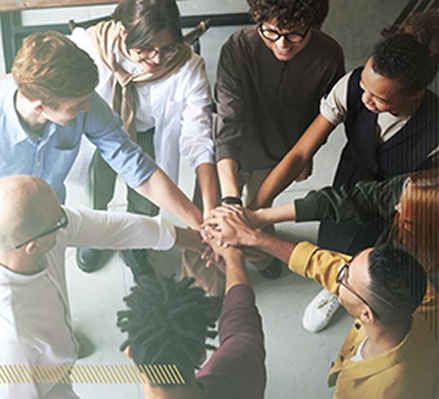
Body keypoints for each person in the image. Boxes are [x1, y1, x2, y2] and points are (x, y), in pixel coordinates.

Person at [247, 11, 439, 330]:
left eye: (379, 98)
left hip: (397, 207)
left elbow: (422, 201)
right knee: (333, 237)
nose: (365, 98)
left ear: (415, 94)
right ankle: (335, 285)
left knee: (375, 265)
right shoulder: (353, 85)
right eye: (365, 87)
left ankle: (352, 293)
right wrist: (254, 208)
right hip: (351, 179)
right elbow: (301, 152)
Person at [0, 175, 205, 399]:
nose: (66, 220)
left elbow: (112, 228)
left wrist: (195, 240)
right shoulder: (14, 340)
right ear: (32, 247)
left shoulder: (44, 231)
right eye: (60, 222)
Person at [203, 213, 439, 398]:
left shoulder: (383, 391)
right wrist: (254, 238)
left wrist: (233, 259)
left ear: (367, 314)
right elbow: (325, 264)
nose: (337, 272)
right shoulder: (422, 296)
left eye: (344, 278)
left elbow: (242, 333)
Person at [70, 0, 217, 275]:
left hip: (147, 132)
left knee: (148, 200)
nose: (158, 60)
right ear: (123, 33)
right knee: (96, 189)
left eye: (168, 48)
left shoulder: (187, 67)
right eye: (145, 50)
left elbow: (199, 136)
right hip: (101, 134)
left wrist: (207, 210)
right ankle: (94, 235)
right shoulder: (90, 47)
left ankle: (136, 245)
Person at [208, 168, 439, 333]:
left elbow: (327, 266)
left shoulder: (429, 297)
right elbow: (348, 200)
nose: (396, 206)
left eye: (407, 218)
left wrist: (249, 242)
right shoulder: (418, 190)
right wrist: (258, 218)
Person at [213, 0, 345, 278]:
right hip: (230, 153)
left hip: (279, 156)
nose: (283, 44)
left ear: (314, 24)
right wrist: (231, 201)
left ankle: (261, 259)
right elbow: (228, 122)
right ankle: (207, 279)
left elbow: (321, 119)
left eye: (295, 34)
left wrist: (305, 158)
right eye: (271, 31)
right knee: (213, 220)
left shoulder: (329, 56)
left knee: (258, 215)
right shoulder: (237, 48)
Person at [117, 237, 266, 399]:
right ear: (202, 355)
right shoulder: (242, 359)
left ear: (129, 352)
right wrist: (233, 258)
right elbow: (241, 322)